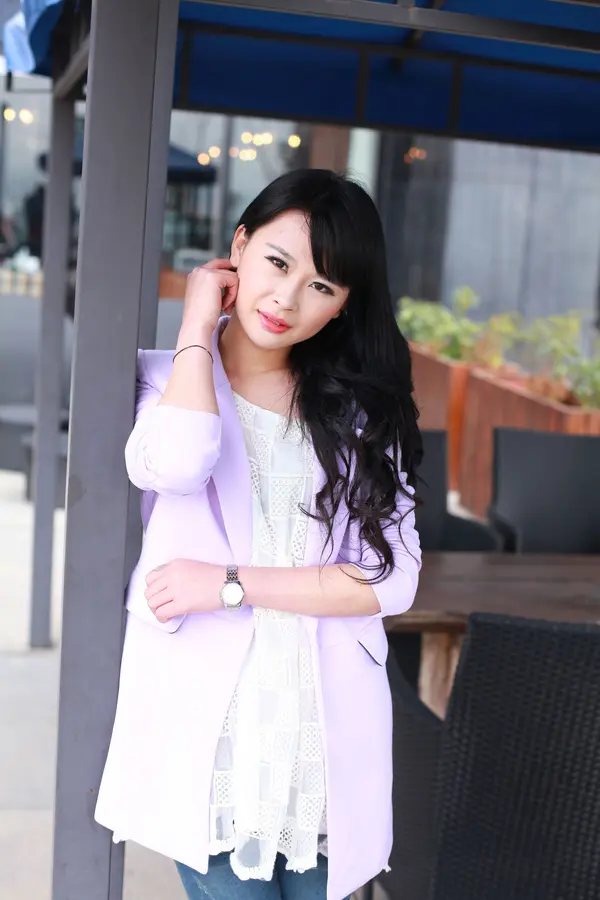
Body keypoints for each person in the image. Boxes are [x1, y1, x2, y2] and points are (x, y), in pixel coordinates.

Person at [94, 169, 422, 900]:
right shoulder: (162, 382)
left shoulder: (364, 413)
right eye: (277, 262)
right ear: (237, 248)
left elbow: (390, 580)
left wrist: (229, 584)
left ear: (343, 305)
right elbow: (179, 464)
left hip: (320, 739)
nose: (286, 299)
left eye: (321, 285)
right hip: (212, 738)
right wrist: (195, 329)